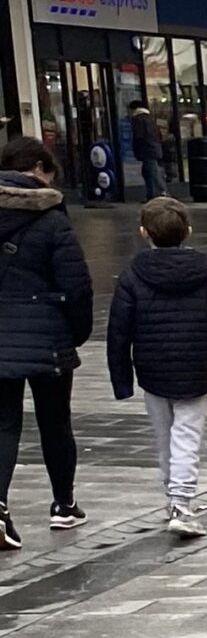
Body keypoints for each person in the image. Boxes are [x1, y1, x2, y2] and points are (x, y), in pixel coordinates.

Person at [105, 197, 207, 539]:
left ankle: (173, 497)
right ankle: (181, 501)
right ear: (188, 231)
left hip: (152, 367)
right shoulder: (204, 272)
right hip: (194, 366)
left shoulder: (133, 274)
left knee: (164, 437)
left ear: (144, 233)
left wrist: (122, 379)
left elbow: (119, 328)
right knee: (187, 435)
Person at [0, 138, 93, 550]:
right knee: (55, 422)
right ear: (39, 169)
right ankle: (63, 505)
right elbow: (77, 285)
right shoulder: (53, 220)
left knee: (3, 424)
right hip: (48, 336)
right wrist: (76, 333)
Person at [128, 101, 166, 202]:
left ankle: (162, 191)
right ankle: (151, 194)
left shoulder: (138, 119)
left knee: (152, 172)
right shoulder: (150, 118)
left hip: (147, 149)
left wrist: (137, 149)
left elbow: (139, 136)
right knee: (148, 171)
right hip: (154, 148)